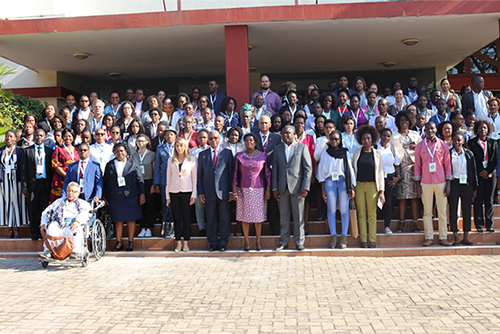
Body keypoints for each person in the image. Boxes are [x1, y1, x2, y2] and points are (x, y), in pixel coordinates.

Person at [272, 125, 313, 251]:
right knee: (283, 217)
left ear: (294, 133)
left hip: (298, 188)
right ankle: (283, 242)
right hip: (282, 188)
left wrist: (305, 187)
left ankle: (299, 242)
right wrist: (274, 188)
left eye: (288, 133)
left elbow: (308, 169)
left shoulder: (302, 147)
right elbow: (275, 170)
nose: (285, 135)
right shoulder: (277, 149)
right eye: (283, 133)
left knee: (298, 217)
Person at [414, 122, 452, 247]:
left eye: (432, 128)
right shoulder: (419, 146)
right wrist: (418, 185)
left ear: (436, 129)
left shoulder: (443, 145)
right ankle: (429, 237)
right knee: (427, 212)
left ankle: (443, 237)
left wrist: (448, 183)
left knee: (442, 211)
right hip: (425, 182)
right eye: (427, 129)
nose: (430, 130)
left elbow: (447, 164)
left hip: (441, 181)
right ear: (424, 130)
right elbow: (417, 166)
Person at [103, 142, 146, 252]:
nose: (119, 153)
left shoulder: (133, 162)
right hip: (115, 195)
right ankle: (119, 242)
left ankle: (130, 242)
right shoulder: (110, 164)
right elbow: (105, 182)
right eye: (117, 151)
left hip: (131, 194)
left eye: (121, 151)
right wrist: (104, 196)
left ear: (126, 151)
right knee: (118, 220)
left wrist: (142, 194)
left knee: (131, 219)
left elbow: (139, 179)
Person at [317, 130, 355, 249]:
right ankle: (333, 237)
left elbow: (350, 169)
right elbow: (321, 172)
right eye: (331, 139)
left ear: (340, 140)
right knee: (331, 210)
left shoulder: (345, 152)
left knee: (344, 210)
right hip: (329, 182)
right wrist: (322, 189)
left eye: (336, 139)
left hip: (343, 182)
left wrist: (352, 187)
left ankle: (344, 237)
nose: (334, 141)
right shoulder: (325, 153)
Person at [233, 132, 270, 251]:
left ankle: (258, 241)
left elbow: (267, 175)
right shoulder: (239, 156)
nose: (249, 142)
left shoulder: (263, 156)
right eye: (246, 140)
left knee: (258, 218)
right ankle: (247, 242)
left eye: (251, 140)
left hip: (259, 189)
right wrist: (234, 190)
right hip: (243, 189)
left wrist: (268, 189)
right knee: (245, 218)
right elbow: (235, 174)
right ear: (244, 143)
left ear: (255, 142)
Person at [197, 130, 233, 251]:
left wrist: (231, 191)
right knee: (210, 219)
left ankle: (223, 243)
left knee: (224, 219)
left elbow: (231, 173)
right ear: (208, 140)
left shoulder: (227, 153)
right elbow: (200, 175)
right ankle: (212, 242)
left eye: (215, 138)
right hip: (208, 192)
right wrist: (201, 192)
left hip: (223, 192)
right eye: (211, 138)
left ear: (220, 139)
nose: (213, 140)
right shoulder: (202, 154)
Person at [38, 182, 91, 259]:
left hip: (73, 224)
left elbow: (85, 213)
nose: (70, 193)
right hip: (59, 223)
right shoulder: (58, 202)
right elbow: (46, 212)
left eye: (73, 191)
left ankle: (75, 252)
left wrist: (78, 221)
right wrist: (43, 223)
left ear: (79, 193)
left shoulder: (83, 203)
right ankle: (49, 251)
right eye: (69, 191)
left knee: (75, 230)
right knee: (51, 228)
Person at [352, 125, 385, 248]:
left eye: (368, 138)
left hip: (372, 186)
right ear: (361, 140)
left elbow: (380, 172)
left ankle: (372, 240)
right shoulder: (356, 153)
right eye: (364, 139)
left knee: (372, 214)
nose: (366, 141)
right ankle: (363, 240)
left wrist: (382, 191)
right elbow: (352, 171)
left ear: (373, 139)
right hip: (359, 186)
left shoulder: (377, 154)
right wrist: (352, 188)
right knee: (361, 214)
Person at [391, 110, 422, 232]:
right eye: (402, 120)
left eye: (406, 120)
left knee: (415, 196)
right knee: (402, 196)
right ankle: (402, 223)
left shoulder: (415, 134)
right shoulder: (393, 135)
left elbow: (422, 150)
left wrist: (416, 147)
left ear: (410, 121)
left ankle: (415, 223)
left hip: (413, 167)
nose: (404, 123)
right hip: (400, 169)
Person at [166, 137, 197, 252]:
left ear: (185, 147)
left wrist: (194, 194)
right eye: (177, 146)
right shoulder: (171, 160)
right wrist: (167, 196)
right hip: (174, 192)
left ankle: (186, 243)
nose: (179, 148)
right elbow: (168, 179)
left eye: (181, 146)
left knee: (186, 219)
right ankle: (178, 243)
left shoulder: (192, 159)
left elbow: (194, 178)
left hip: (187, 191)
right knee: (176, 218)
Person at [251, 116, 282, 235]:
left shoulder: (277, 138)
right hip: (256, 175)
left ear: (270, 125)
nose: (264, 125)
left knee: (273, 203)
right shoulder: (253, 137)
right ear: (258, 124)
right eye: (261, 123)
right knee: (257, 202)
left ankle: (274, 229)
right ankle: (256, 231)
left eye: (266, 123)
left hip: (273, 173)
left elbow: (279, 154)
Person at [468, 120, 498, 233]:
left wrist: (488, 171)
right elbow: (472, 159)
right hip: (478, 174)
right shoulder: (471, 143)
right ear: (476, 129)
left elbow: (495, 159)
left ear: (488, 129)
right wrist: (481, 172)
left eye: (485, 128)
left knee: (489, 199)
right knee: (478, 199)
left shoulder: (494, 142)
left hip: (491, 174)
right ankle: (479, 225)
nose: (482, 130)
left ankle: (490, 225)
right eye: (480, 128)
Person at [449, 132, 477, 246]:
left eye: (459, 140)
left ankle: (466, 237)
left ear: (463, 141)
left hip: (467, 184)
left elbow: (474, 171)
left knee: (466, 210)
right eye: (455, 140)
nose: (457, 142)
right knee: (453, 210)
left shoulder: (469, 154)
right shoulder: (449, 153)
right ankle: (455, 237)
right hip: (454, 183)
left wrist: (475, 188)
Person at [0, 130, 26, 238]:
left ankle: (16, 229)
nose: (8, 138)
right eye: (7, 136)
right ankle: (9, 228)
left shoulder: (20, 151)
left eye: (11, 136)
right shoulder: (1, 150)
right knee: (7, 203)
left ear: (16, 138)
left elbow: (23, 167)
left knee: (16, 203)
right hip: (4, 181)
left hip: (16, 180)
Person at [375, 128, 401, 234]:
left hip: (390, 178)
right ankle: (374, 226)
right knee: (376, 201)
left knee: (389, 202)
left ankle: (387, 226)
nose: (386, 138)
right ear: (380, 136)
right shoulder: (375, 147)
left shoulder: (393, 149)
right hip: (378, 178)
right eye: (384, 135)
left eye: (388, 136)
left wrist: (398, 177)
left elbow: (397, 165)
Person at [132, 134, 156, 238]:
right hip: (138, 183)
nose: (140, 143)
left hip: (149, 181)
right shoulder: (133, 155)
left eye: (142, 141)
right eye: (138, 141)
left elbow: (155, 170)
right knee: (140, 206)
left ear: (147, 142)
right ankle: (142, 227)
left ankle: (149, 228)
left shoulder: (152, 154)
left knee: (150, 206)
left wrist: (154, 184)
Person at [153, 125, 177, 224]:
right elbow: (157, 166)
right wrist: (157, 183)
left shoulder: (180, 147)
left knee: (176, 203)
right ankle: (166, 225)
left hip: (177, 179)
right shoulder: (160, 148)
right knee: (165, 203)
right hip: (164, 180)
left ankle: (177, 225)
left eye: (171, 134)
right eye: (167, 135)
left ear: (175, 136)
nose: (169, 137)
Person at [50, 128, 79, 202]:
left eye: (70, 136)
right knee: (59, 201)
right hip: (60, 179)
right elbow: (55, 165)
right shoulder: (58, 149)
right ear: (62, 137)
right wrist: (66, 176)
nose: (67, 138)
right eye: (65, 136)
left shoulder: (77, 150)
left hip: (74, 179)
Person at [190, 129, 210, 236]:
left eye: (204, 137)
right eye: (200, 137)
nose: (202, 139)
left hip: (209, 181)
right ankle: (201, 228)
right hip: (197, 181)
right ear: (197, 138)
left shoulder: (211, 149)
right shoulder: (192, 151)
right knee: (199, 206)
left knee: (211, 206)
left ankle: (211, 227)